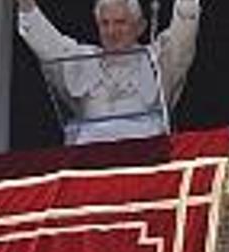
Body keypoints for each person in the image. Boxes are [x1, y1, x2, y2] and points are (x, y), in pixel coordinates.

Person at [16, 0, 200, 145]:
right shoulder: (81, 60)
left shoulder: (158, 59)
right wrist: (26, 4)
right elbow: (46, 42)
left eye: (120, 23)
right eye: (105, 23)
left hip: (145, 159)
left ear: (140, 27)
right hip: (89, 160)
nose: (112, 31)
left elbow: (184, 30)